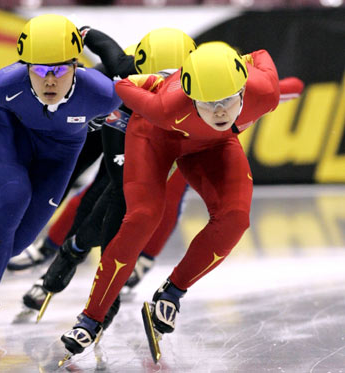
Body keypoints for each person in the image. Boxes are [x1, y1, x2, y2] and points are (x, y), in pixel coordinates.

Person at [59, 41, 305, 357]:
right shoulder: (166, 105)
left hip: (212, 146)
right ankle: (90, 319)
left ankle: (173, 291)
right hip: (154, 136)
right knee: (143, 217)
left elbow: (261, 54)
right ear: (190, 95)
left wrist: (232, 60)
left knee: (235, 218)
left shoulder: (265, 92)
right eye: (208, 102)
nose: (219, 111)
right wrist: (139, 90)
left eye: (228, 100)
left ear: (243, 87)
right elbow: (123, 85)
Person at [0, 13, 121, 348]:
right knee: (13, 199)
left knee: (18, 242)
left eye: (58, 69)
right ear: (25, 67)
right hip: (8, 132)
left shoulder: (103, 95)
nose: (49, 81)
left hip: (59, 153)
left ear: (76, 65)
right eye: (40, 70)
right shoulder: (6, 84)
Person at [17, 27, 195, 327]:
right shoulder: (120, 69)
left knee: (159, 195)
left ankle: (100, 259)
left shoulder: (202, 86)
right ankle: (54, 251)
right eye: (154, 80)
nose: (161, 90)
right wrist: (70, 34)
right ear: (138, 70)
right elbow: (95, 39)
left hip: (158, 132)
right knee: (105, 190)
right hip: (119, 121)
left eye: (172, 83)